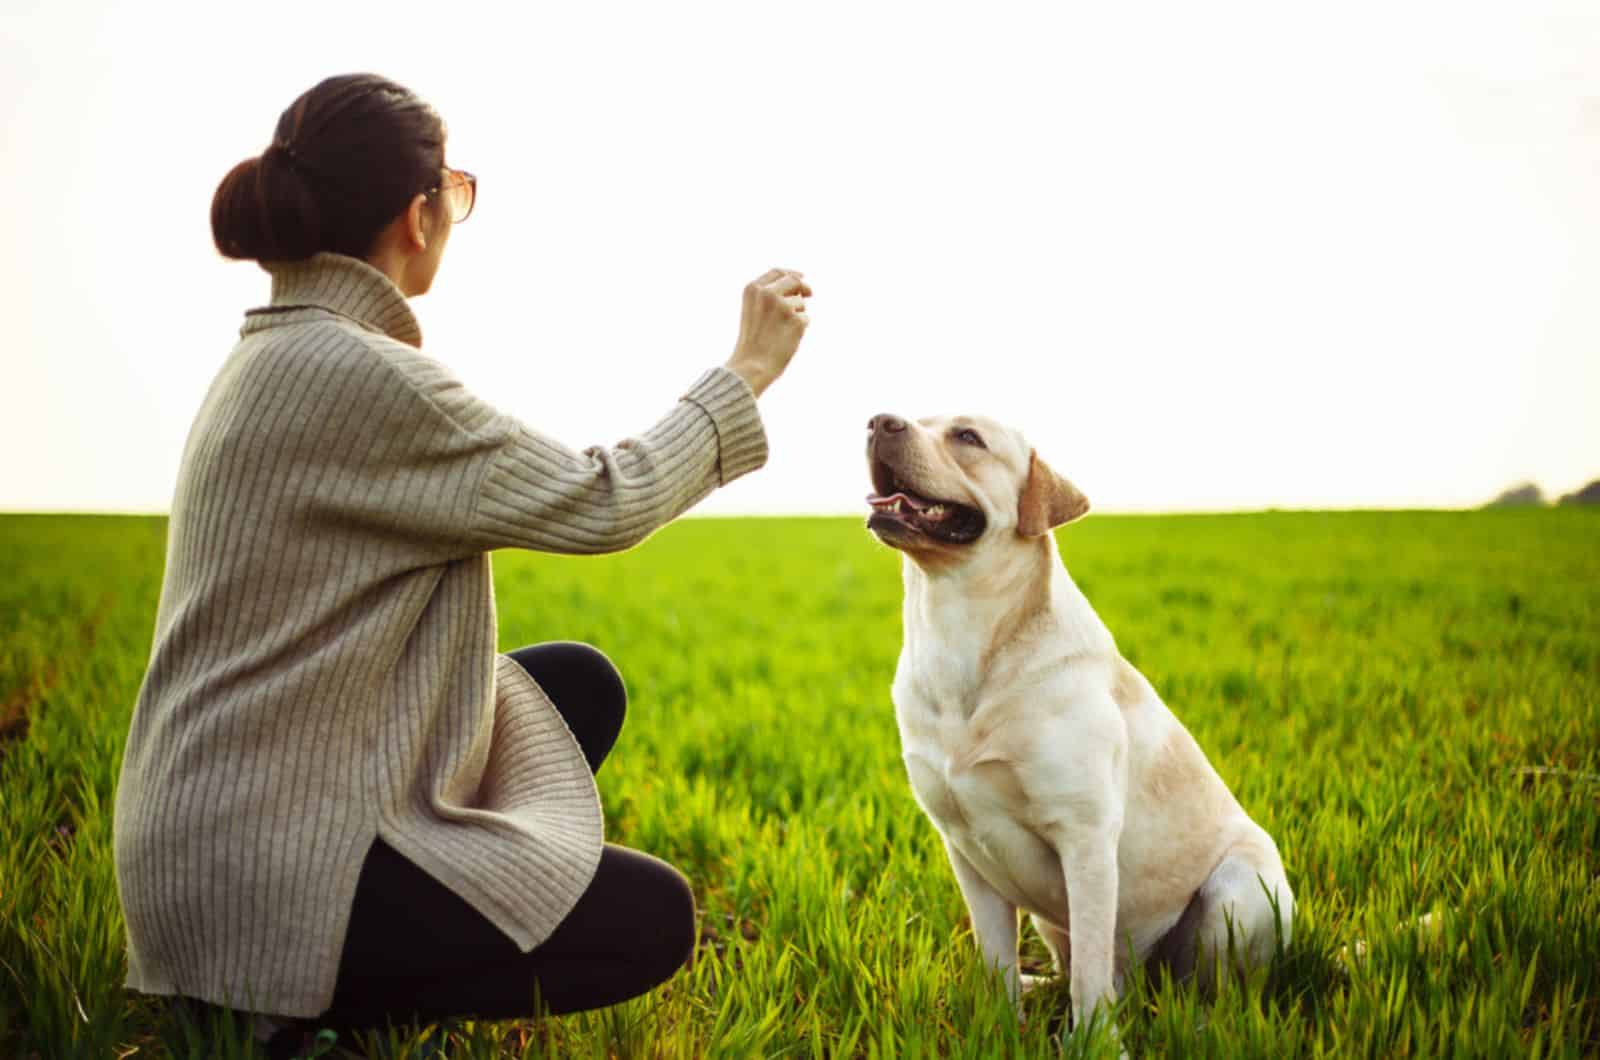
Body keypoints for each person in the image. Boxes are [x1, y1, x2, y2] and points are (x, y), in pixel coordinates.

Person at [111, 72, 810, 1056]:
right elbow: (604, 499)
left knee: (572, 685)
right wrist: (747, 373)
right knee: (655, 916)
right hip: (268, 874)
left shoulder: (272, 355)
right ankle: (301, 1018)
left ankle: (333, 992)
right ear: (418, 213)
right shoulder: (364, 377)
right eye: (456, 192)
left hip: (203, 840)